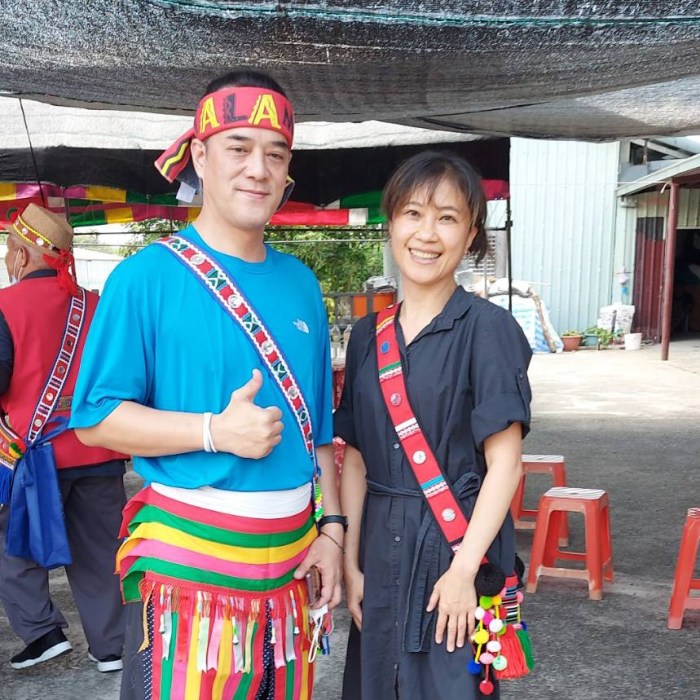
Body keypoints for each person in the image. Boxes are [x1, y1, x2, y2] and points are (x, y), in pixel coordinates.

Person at [70, 70, 343, 700]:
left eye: (275, 154)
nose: (258, 169)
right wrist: (213, 431)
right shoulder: (145, 278)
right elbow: (96, 418)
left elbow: (321, 435)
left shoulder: (301, 283)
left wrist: (332, 530)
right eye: (238, 148)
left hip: (293, 571)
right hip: (190, 576)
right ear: (199, 155)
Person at [336, 151, 533, 699]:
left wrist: (465, 570)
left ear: (470, 235)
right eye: (413, 213)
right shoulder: (366, 336)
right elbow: (356, 458)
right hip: (378, 549)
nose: (427, 234)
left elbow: (505, 465)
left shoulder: (489, 329)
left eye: (447, 218)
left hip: (454, 550)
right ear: (391, 223)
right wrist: (351, 565)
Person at [0, 203, 127, 672]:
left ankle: (42, 632)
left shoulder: (4, 306)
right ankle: (112, 647)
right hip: (100, 449)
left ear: (21, 254)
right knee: (101, 550)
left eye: (9, 251)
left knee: (14, 541)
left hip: (30, 456)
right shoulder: (97, 305)